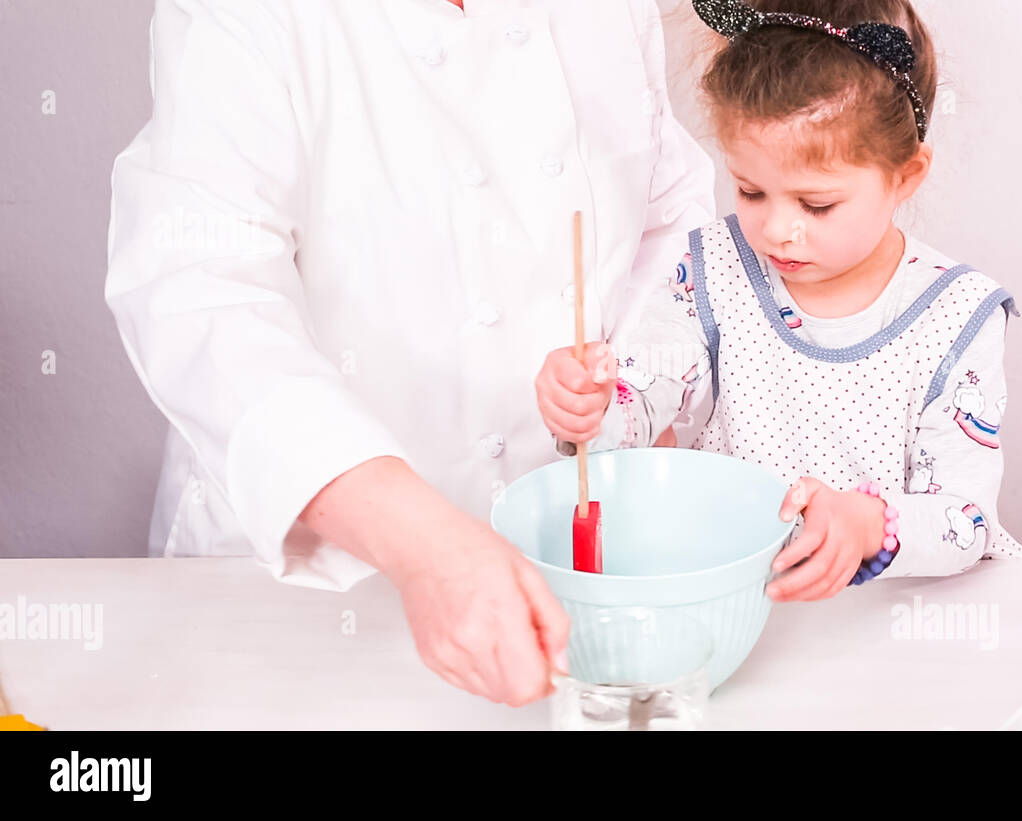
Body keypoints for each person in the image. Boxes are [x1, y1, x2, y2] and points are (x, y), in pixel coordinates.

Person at [104, 0, 715, 706]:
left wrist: (640, 394)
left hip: (565, 580)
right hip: (310, 594)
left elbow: (670, 222)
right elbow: (199, 287)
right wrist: (423, 544)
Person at [535, 0, 1022, 604]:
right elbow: (644, 398)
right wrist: (591, 408)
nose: (776, 230)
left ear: (905, 175)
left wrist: (866, 524)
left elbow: (965, 521)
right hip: (745, 603)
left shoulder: (957, 315)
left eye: (816, 205)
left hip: (892, 620)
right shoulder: (712, 270)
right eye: (750, 190)